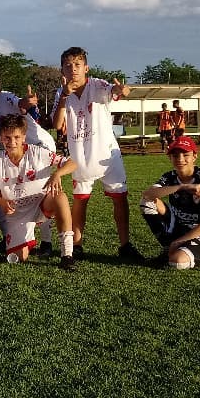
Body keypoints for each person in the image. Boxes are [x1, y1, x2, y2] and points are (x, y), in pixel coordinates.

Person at [51, 47, 143, 261]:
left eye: (77, 64)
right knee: (80, 201)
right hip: (79, 158)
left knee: (120, 199)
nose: (73, 69)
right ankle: (77, 244)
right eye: (68, 65)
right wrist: (65, 96)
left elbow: (115, 92)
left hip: (107, 155)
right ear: (62, 70)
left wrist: (122, 91)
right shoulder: (61, 92)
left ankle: (125, 245)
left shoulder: (98, 85)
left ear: (86, 68)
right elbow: (57, 124)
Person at [0, 62, 58, 255]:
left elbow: (20, 104)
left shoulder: (6, 97)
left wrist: (27, 102)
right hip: (14, 152)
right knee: (5, 194)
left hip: (38, 146)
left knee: (40, 193)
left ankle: (47, 242)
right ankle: (11, 237)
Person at [0, 114, 79, 270]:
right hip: (17, 212)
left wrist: (57, 174)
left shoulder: (38, 152)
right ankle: (30, 238)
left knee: (59, 196)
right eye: (7, 137)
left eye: (16, 137)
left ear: (23, 137)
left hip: (41, 204)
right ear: (1, 137)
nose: (12, 142)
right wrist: (2, 202)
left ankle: (67, 255)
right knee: (18, 258)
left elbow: (72, 163)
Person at [139, 137, 200, 269]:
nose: (180, 159)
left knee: (177, 261)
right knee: (147, 202)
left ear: (194, 156)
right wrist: (182, 187)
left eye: (185, 155)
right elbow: (147, 194)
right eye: (175, 155)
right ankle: (169, 247)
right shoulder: (169, 177)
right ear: (170, 158)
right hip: (181, 226)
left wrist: (178, 242)